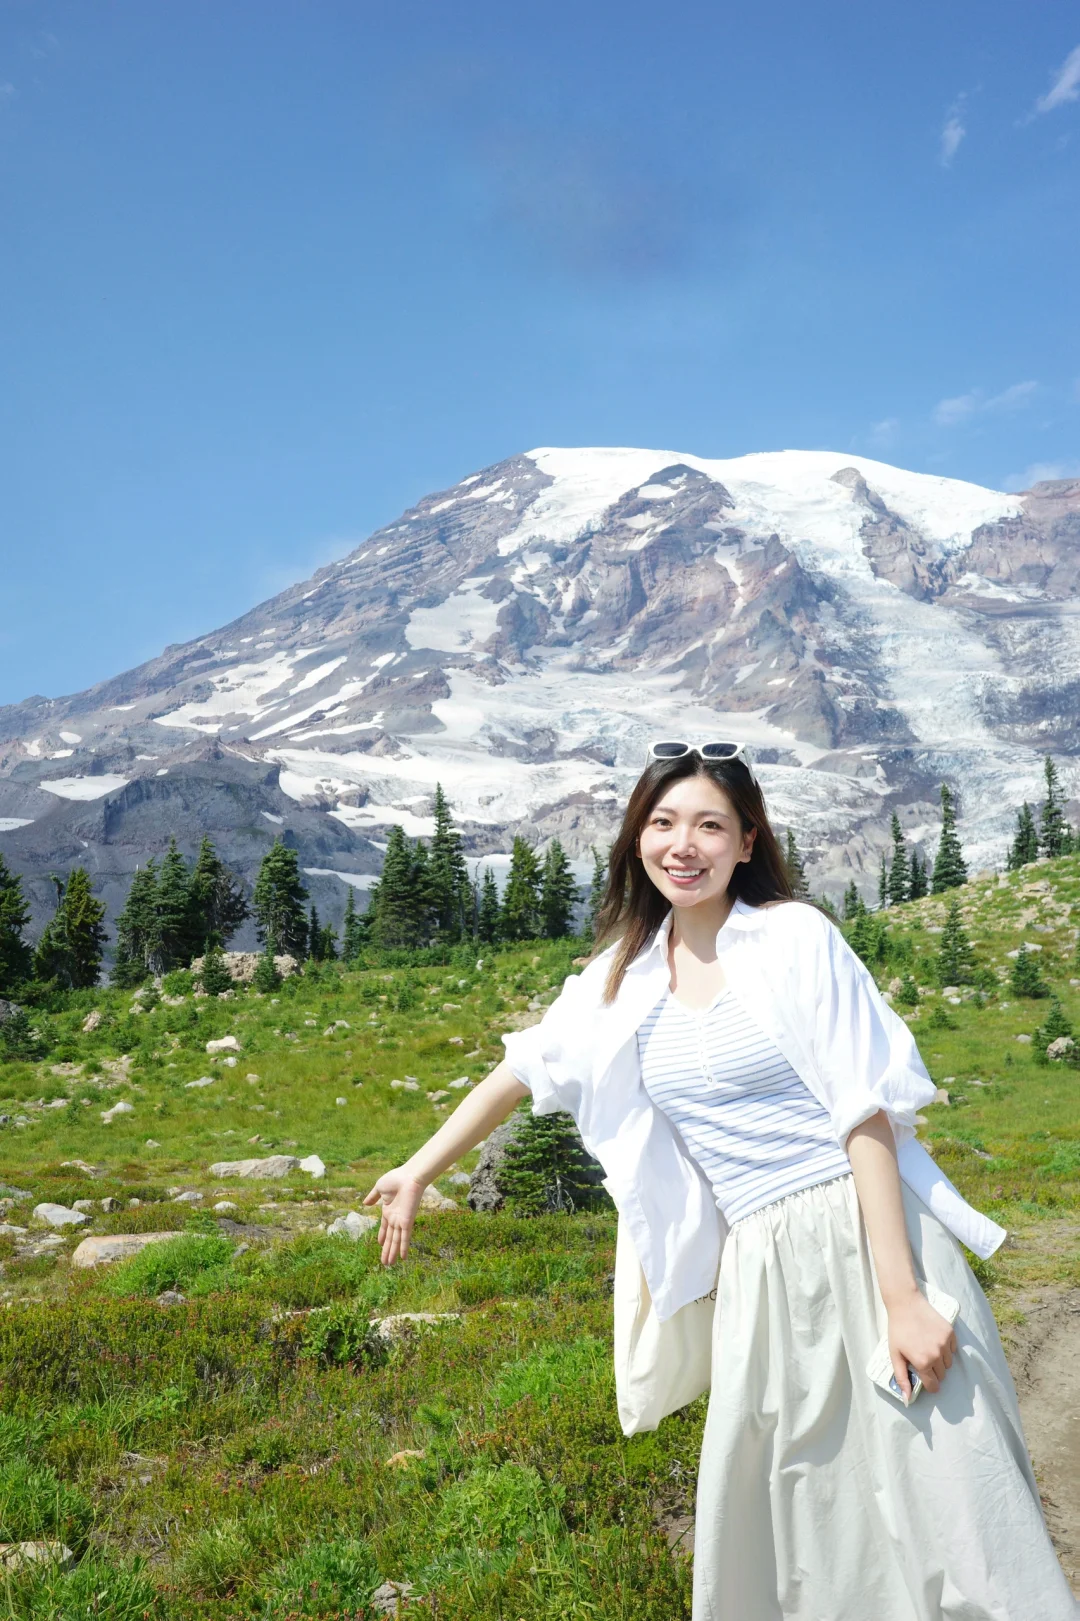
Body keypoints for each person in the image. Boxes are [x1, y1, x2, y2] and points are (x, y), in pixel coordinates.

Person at [365, 742, 1077, 1620]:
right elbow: (523, 1066)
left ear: (748, 841)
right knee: (812, 1528)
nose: (683, 844)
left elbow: (865, 1113)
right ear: (636, 840)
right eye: (662, 823)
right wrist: (416, 1168)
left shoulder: (792, 938)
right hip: (762, 1277)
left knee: (953, 1506)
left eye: (709, 824)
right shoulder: (618, 978)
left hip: (868, 1232)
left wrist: (903, 1295)